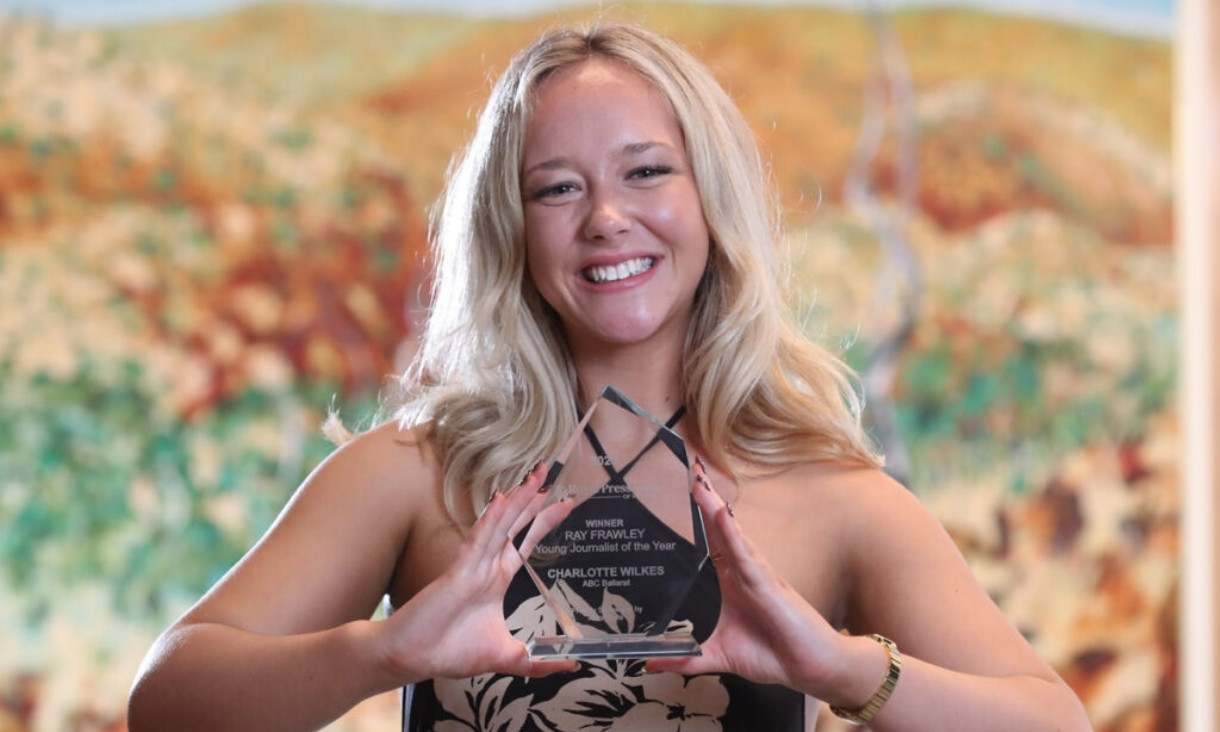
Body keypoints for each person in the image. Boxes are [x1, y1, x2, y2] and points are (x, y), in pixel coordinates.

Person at [127, 21, 1092, 732]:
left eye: (646, 173)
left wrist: (841, 671)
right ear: (513, 227)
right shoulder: (414, 475)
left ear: (710, 200)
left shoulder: (833, 498)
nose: (606, 219)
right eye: (558, 187)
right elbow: (168, 700)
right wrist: (384, 654)